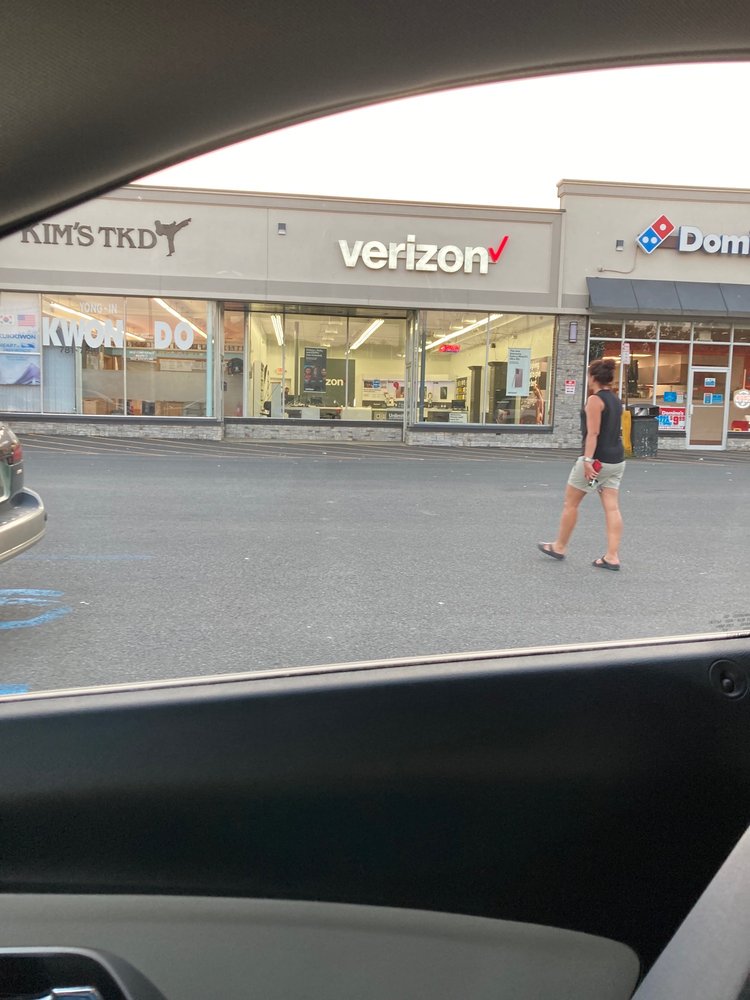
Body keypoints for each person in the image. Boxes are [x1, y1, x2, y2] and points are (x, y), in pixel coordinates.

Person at [537, 358, 626, 570]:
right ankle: (612, 556)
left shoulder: (595, 400)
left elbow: (593, 433)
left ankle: (559, 546)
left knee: (571, 503)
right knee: (612, 508)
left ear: (593, 377)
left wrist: (587, 460)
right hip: (616, 460)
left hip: (596, 461)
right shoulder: (616, 400)